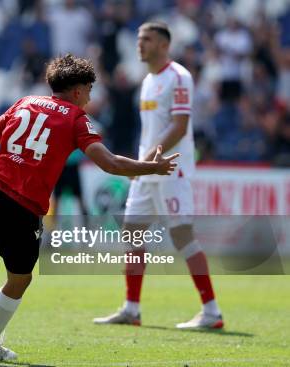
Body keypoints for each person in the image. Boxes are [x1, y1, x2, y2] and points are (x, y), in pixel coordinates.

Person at [0, 54, 179, 362]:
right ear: (78, 91)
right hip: (23, 208)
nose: (91, 98)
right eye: (89, 90)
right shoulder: (76, 120)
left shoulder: (24, 103)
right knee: (20, 279)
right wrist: (152, 167)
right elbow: (109, 162)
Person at [93, 22, 224, 329]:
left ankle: (212, 312)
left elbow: (179, 125)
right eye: (139, 39)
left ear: (164, 44)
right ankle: (132, 309)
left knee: (182, 236)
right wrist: (142, 163)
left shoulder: (179, 77)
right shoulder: (148, 80)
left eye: (147, 39)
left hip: (170, 168)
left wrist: (153, 154)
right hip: (148, 168)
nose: (140, 44)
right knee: (132, 233)